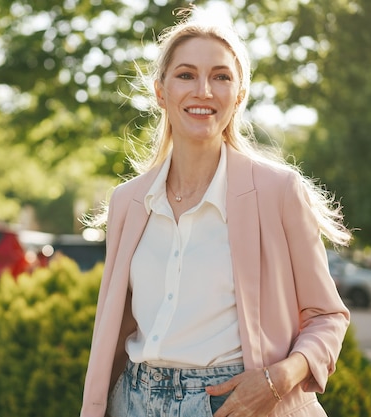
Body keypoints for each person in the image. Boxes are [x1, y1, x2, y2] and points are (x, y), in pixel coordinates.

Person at [80, 7, 351, 417]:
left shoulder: (278, 191)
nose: (203, 90)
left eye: (221, 77)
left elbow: (328, 316)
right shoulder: (127, 202)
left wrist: (276, 380)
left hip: (235, 402)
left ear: (238, 95)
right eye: (186, 75)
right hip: (132, 400)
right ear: (160, 91)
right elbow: (117, 331)